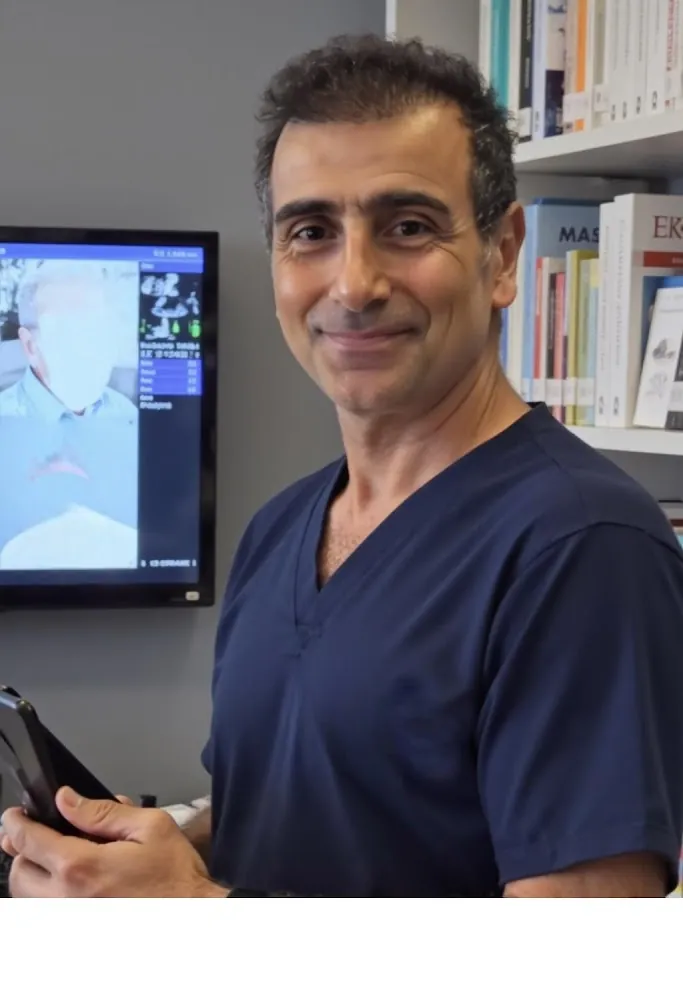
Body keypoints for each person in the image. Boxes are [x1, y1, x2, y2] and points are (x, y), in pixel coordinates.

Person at [3, 34, 683, 897]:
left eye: (408, 227)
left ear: (503, 254)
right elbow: (292, 812)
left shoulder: (581, 549)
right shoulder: (283, 527)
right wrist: (152, 850)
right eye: (311, 232)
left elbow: (578, 966)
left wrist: (193, 914)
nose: (353, 283)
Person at [0, 260, 137, 421]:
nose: (88, 348)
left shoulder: (126, 414)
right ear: (30, 346)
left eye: (97, 328)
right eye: (66, 330)